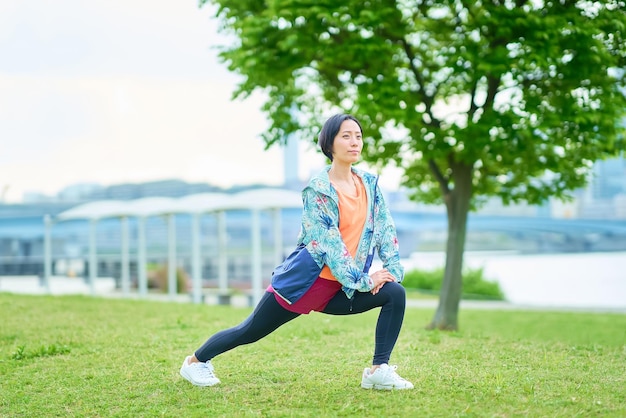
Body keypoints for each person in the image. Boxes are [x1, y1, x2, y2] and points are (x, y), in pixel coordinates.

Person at [179, 113, 413, 390]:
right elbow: (331, 245)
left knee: (394, 294)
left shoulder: (370, 185)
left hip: (342, 288)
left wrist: (392, 272)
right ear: (330, 144)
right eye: (346, 136)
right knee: (250, 330)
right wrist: (365, 280)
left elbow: (385, 228)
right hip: (306, 284)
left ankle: (378, 370)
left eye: (358, 136)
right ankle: (196, 362)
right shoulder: (318, 190)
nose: (354, 142)